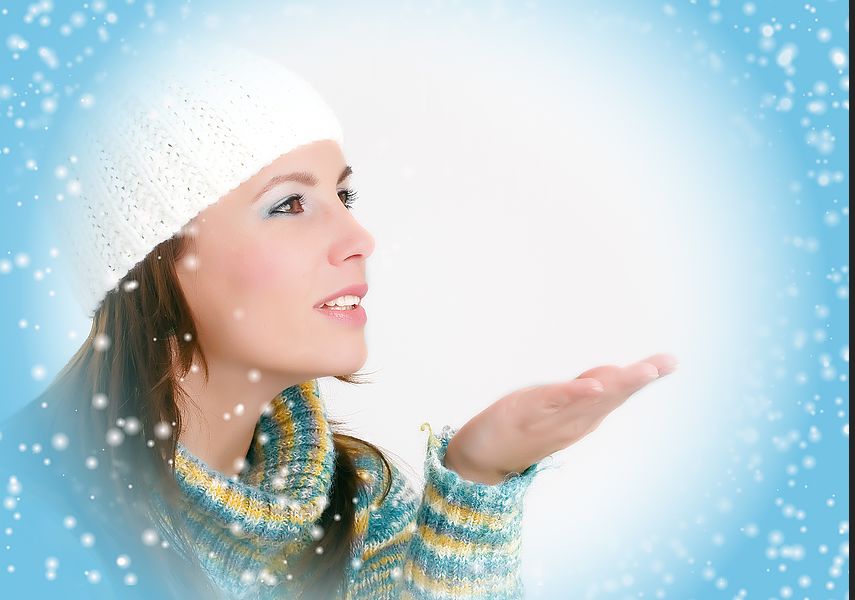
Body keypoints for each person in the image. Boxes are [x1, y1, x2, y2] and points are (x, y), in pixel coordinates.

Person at [0, 38, 677, 599]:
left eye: (342, 193)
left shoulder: (356, 497)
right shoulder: (31, 512)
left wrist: (478, 475)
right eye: (289, 204)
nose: (359, 236)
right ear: (149, 262)